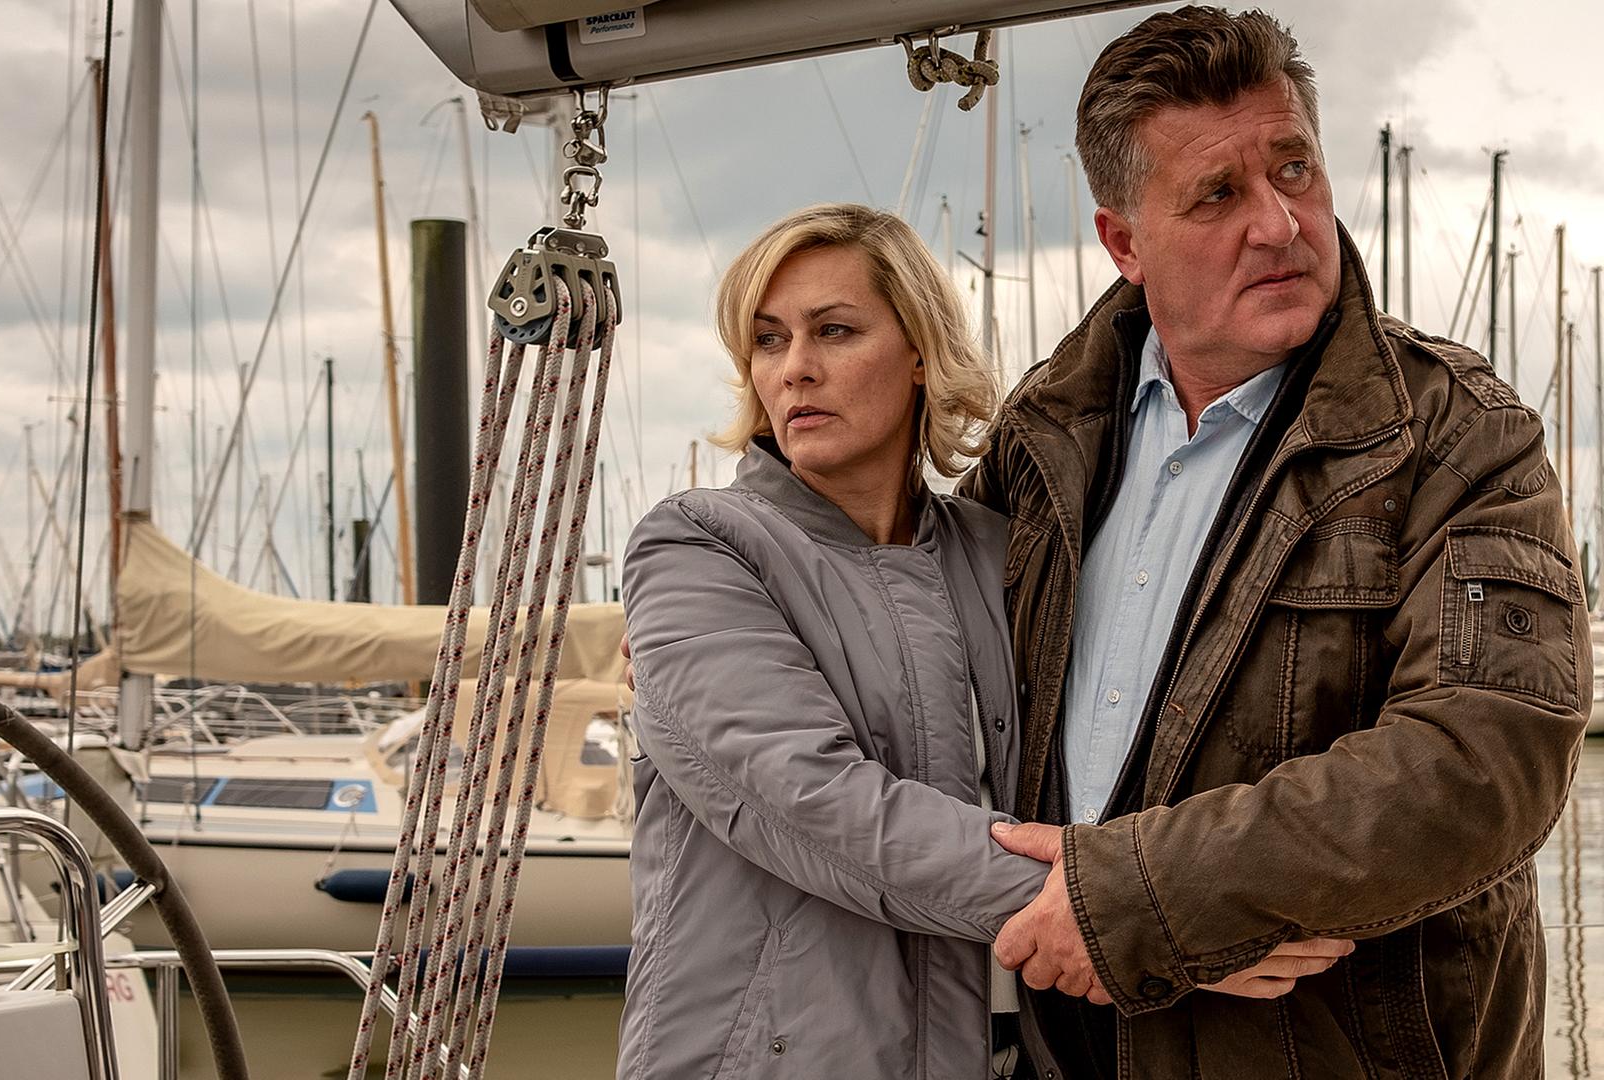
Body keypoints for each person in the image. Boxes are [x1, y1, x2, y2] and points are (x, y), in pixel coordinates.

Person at [961, 8, 1590, 1079]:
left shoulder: (1457, 433)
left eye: (1293, 169)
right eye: (1218, 193)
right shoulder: (1041, 443)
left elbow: (1480, 765)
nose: (1281, 223)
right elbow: (916, 673)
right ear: (1124, 244)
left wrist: (1150, 902)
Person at [617, 203, 1342, 1080]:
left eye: (834, 331)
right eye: (768, 342)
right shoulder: (697, 545)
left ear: (920, 351)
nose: (796, 369)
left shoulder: (1000, 554)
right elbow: (813, 803)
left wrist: (1215, 883)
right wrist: (1145, 915)